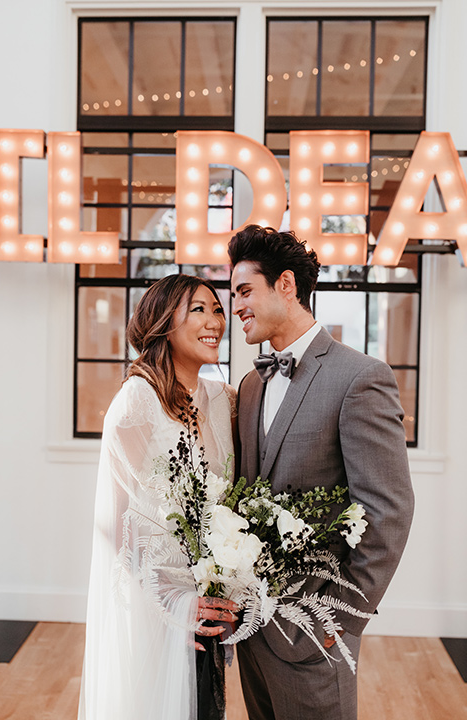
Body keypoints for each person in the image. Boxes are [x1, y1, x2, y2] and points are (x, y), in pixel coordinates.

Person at [228, 225, 415, 720]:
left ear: (286, 285)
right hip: (252, 632)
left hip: (313, 631)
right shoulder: (250, 385)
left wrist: (338, 616)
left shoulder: (360, 377)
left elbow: (388, 510)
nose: (236, 307)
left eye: (245, 290)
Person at [78, 273, 238, 720]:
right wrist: (168, 606)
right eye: (199, 310)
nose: (216, 321)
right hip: (157, 612)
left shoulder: (223, 401)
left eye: (218, 309)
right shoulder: (136, 403)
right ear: (165, 323)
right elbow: (117, 529)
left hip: (209, 607)